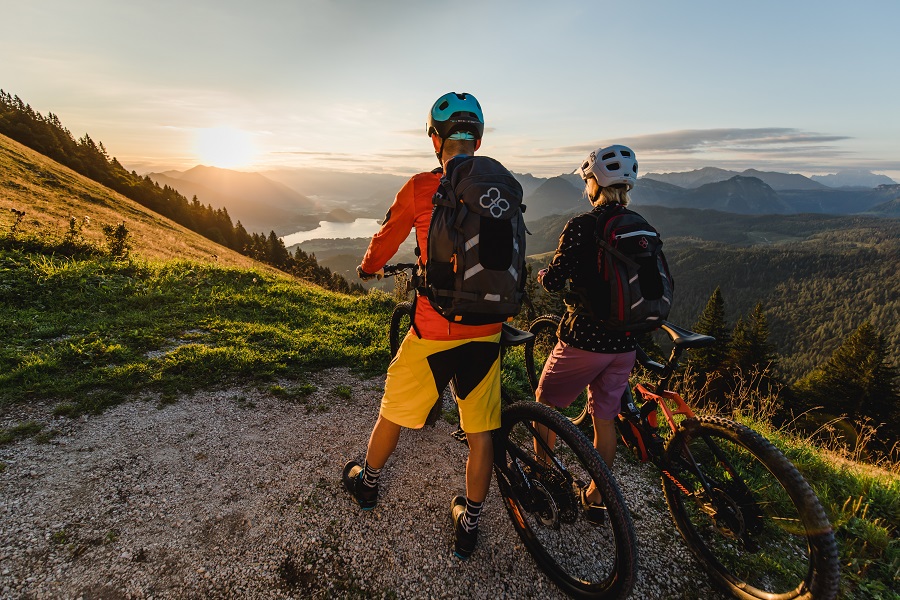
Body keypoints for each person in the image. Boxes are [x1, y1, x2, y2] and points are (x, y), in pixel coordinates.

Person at [342, 92, 502, 560]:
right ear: (478, 139)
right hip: (488, 328)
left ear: (437, 140)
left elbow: (385, 239)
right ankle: (470, 523)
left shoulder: (419, 187)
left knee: (393, 407)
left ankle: (367, 484)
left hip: (434, 330)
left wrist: (369, 267)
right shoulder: (501, 185)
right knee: (480, 431)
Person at [534, 144, 641, 525]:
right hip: (626, 344)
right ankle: (596, 497)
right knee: (604, 420)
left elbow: (558, 279)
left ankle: (544, 478)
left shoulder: (582, 226)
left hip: (586, 340)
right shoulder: (641, 226)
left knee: (544, 405)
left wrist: (545, 277)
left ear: (595, 183)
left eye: (588, 180)